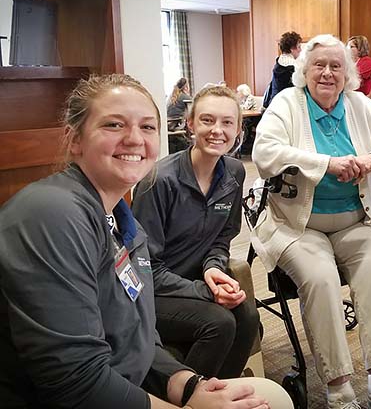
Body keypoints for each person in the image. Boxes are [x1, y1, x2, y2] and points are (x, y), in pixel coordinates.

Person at [0, 73, 293, 409]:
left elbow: (138, 339)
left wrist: (188, 385)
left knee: (273, 394)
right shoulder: (52, 214)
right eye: (113, 125)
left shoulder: (126, 229)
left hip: (129, 384)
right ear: (75, 139)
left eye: (147, 127)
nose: (134, 139)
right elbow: (75, 382)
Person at [251, 34, 371, 409]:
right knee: (321, 278)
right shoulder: (287, 104)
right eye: (319, 65)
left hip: (354, 222)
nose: (327, 73)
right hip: (297, 225)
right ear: (304, 70)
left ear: (348, 73)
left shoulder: (359, 105)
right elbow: (265, 153)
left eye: (336, 66)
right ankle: (339, 388)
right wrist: (327, 163)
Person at [132, 84, 259, 380]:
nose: (218, 130)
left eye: (227, 122)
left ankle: (221, 389)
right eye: (207, 120)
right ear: (190, 124)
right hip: (152, 293)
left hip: (194, 282)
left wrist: (213, 268)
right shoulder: (158, 182)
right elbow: (145, 268)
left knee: (248, 317)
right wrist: (203, 291)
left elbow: (221, 237)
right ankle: (190, 398)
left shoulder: (233, 173)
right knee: (220, 323)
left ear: (239, 129)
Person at [262, 31, 302, 109]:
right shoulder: (292, 67)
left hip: (273, 104)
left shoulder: (278, 63)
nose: (300, 50)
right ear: (292, 49)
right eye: (299, 47)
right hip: (285, 106)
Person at [347, 35, 371, 105]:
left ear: (360, 49)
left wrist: (370, 96)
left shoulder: (365, 61)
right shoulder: (352, 63)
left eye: (351, 47)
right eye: (347, 46)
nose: (348, 49)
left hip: (365, 103)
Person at [167, 77, 192, 153]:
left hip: (169, 123)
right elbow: (192, 110)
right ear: (186, 87)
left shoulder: (171, 96)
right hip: (177, 123)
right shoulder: (184, 97)